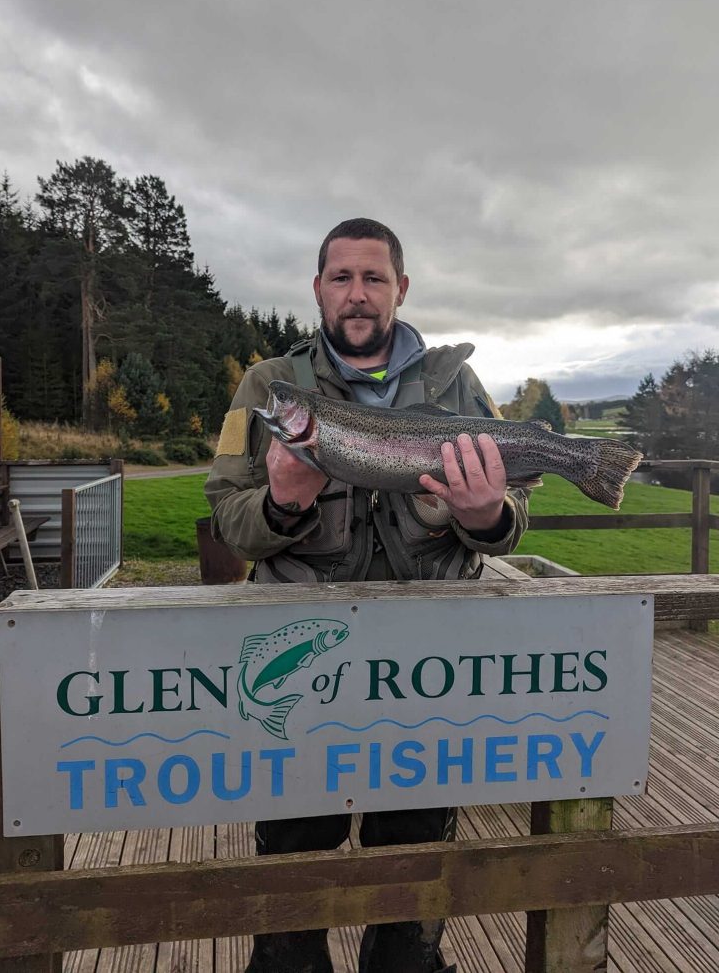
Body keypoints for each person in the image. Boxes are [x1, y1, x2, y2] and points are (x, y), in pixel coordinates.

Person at [205, 218, 529, 973]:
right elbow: (228, 516)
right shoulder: (267, 388)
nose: (357, 294)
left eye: (373, 278)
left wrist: (488, 516)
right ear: (318, 289)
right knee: (292, 870)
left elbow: (511, 521)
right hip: (299, 671)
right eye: (342, 277)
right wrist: (282, 505)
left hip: (428, 673)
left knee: (415, 872)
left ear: (400, 289)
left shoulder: (456, 385)